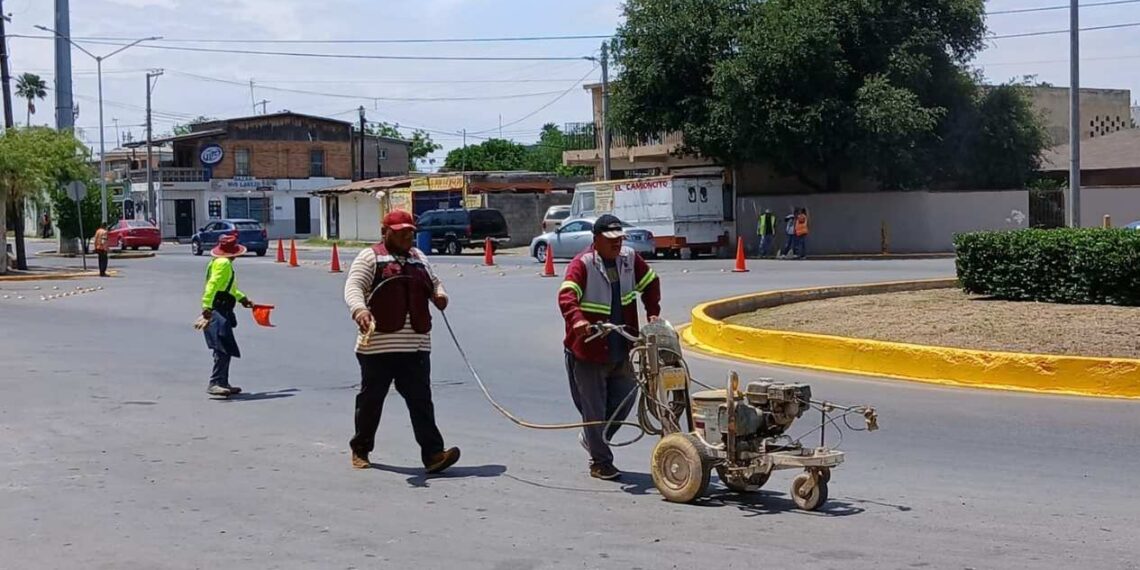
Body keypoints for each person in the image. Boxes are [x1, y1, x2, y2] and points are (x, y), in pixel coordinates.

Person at [344, 209, 460, 474]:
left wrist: (440, 296)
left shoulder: (419, 258)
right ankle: (360, 448)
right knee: (371, 401)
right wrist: (360, 311)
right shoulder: (370, 257)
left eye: (410, 232)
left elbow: (435, 284)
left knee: (421, 401)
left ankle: (433, 455)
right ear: (386, 233)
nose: (408, 236)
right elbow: (353, 288)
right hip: (377, 347)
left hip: (415, 346)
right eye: (401, 233)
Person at [558, 214, 661, 480]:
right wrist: (578, 320)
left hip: (623, 344)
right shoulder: (583, 263)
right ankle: (600, 461)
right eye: (611, 240)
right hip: (589, 350)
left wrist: (652, 312)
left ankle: (594, 439)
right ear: (597, 240)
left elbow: (650, 282)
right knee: (594, 409)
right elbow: (567, 295)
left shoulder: (629, 258)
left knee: (625, 400)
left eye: (620, 240)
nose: (617, 245)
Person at [198, 233, 255, 397]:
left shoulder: (218, 262)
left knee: (224, 346)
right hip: (217, 308)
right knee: (222, 346)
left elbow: (227, 288)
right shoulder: (223, 264)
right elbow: (213, 285)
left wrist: (242, 298)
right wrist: (207, 306)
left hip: (221, 307)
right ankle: (215, 382)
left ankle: (223, 382)